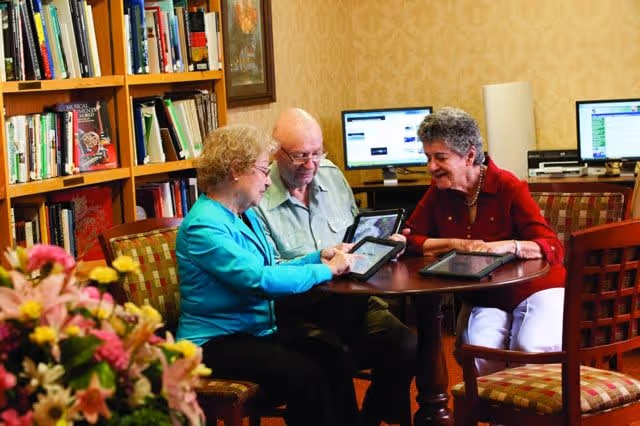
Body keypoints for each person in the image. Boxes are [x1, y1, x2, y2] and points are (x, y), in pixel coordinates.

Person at [175, 124, 361, 426]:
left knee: (333, 352)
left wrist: (319, 255)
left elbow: (272, 267)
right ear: (237, 170)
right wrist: (325, 270)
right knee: (306, 373)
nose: (266, 181)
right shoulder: (203, 226)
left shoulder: (244, 212)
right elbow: (259, 281)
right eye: (263, 170)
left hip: (255, 333)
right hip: (214, 343)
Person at [255, 108, 417, 426]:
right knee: (331, 357)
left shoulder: (329, 173)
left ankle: (370, 417)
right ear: (277, 152)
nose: (311, 164)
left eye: (317, 153)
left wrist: (382, 246)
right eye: (301, 156)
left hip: (352, 300)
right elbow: (270, 269)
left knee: (406, 344)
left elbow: (355, 235)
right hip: (299, 310)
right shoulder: (258, 195)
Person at [404, 107, 566, 376]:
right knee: (478, 354)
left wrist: (508, 245)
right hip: (489, 295)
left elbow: (552, 246)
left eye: (440, 158)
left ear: (469, 155)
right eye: (428, 157)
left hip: (536, 288)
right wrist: (456, 243)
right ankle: (497, 415)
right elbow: (410, 239)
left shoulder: (507, 186)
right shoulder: (439, 192)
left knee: (529, 348)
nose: (431, 167)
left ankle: (530, 415)